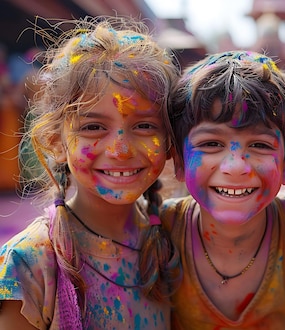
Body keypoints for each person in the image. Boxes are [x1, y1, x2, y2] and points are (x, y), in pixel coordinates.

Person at [0, 16, 181, 329]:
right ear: (56, 141)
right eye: (93, 127)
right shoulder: (28, 263)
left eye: (144, 126)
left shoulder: (175, 238)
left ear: (169, 140)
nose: (120, 149)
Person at [161, 50, 285, 329]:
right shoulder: (163, 229)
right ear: (179, 162)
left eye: (260, 145)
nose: (235, 167)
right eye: (211, 144)